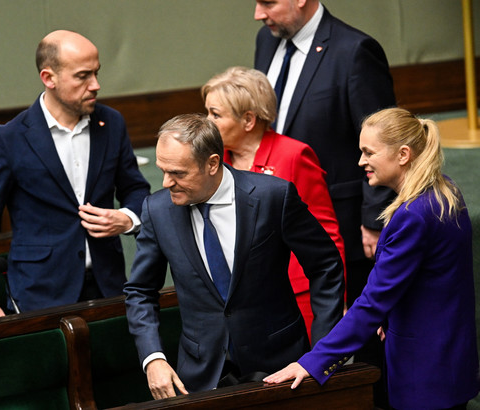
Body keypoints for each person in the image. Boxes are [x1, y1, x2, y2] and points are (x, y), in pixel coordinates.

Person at [265, 108, 480, 410]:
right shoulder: (445, 190)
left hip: (425, 375)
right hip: (449, 361)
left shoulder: (413, 216)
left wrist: (313, 362)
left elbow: (372, 302)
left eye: (369, 152)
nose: (361, 162)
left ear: (403, 154)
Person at [124, 113, 344, 399]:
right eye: (162, 170)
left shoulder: (272, 197)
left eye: (178, 173)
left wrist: (322, 353)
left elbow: (325, 266)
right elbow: (140, 291)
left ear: (212, 163)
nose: (166, 183)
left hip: (280, 364)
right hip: (201, 375)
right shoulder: (157, 210)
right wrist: (153, 358)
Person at [0, 30, 150, 319]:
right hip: (40, 294)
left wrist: (127, 218)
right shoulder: (10, 138)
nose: (96, 85)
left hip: (108, 286)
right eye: (83, 76)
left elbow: (136, 190)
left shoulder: (111, 123)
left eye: (97, 73)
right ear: (49, 78)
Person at [254, 0, 396, 306]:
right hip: (277, 216)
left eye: (268, 3)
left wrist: (374, 220)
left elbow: (383, 142)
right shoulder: (267, 39)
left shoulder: (355, 51)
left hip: (339, 221)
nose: (258, 14)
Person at [202, 66, 345, 341]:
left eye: (215, 115)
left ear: (248, 120)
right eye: (207, 112)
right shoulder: (218, 162)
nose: (207, 122)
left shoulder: (293, 156)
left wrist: (336, 301)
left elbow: (326, 235)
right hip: (241, 299)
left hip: (296, 296)